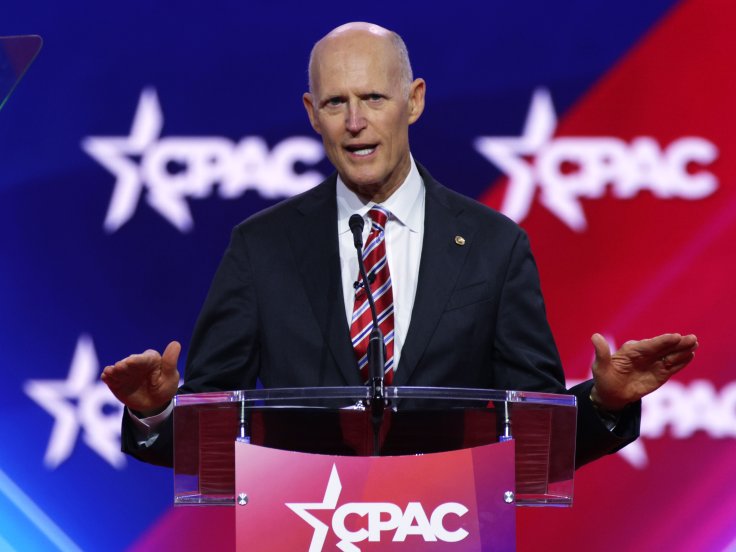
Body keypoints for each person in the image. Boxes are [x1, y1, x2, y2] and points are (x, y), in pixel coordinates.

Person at [101, 22, 698, 468]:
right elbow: (208, 436)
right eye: (336, 102)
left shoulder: (494, 246)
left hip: (449, 527)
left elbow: (535, 434)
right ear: (313, 114)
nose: (354, 121)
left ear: (413, 100)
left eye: (373, 99)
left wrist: (604, 403)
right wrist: (158, 413)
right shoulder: (263, 248)